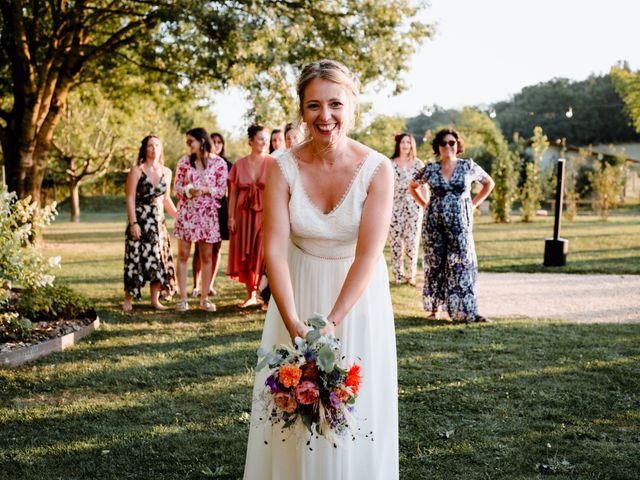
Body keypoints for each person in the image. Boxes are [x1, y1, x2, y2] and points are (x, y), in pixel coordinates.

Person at [243, 59, 398, 480]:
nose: (324, 116)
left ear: (352, 105)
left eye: (334, 104)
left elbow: (368, 254)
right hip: (296, 289)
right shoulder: (282, 167)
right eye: (313, 106)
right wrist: (292, 320)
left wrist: (332, 321)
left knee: (352, 407)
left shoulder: (378, 169)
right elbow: (273, 248)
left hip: (356, 298)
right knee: (292, 403)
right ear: (301, 109)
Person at [408, 128, 495, 322]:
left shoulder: (468, 166)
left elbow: (489, 183)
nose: (448, 146)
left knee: (463, 264)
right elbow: (412, 186)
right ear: (438, 147)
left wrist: (473, 204)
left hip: (460, 224)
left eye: (452, 143)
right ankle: (434, 310)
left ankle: (466, 311)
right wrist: (424, 204)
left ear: (457, 145)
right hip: (434, 224)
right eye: (444, 143)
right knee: (435, 264)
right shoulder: (430, 169)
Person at [173, 127, 228, 312]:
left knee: (206, 256)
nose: (188, 145)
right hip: (187, 213)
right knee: (183, 255)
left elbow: (221, 190)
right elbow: (176, 188)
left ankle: (204, 299)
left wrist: (205, 190)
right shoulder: (183, 162)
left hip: (208, 215)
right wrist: (189, 190)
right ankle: (182, 299)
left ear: (202, 141)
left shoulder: (219, 163)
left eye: (191, 141)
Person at [123, 136, 177, 311]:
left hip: (158, 224)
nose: (154, 148)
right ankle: (128, 299)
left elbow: (166, 199)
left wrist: (178, 217)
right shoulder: (137, 170)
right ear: (144, 149)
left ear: (161, 148)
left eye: (157, 145)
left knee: (158, 260)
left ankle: (155, 300)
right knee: (135, 259)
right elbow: (130, 198)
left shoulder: (167, 172)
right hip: (140, 220)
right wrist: (133, 223)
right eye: (150, 145)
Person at [226, 124, 274, 307]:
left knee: (263, 254)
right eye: (261, 138)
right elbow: (234, 193)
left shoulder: (273, 163)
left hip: (265, 213)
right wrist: (231, 217)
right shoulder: (239, 164)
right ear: (251, 141)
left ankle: (264, 294)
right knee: (246, 253)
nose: (265, 142)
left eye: (267, 139)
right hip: (243, 214)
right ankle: (250, 295)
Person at [191, 132, 233, 298]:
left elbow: (230, 191)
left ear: (223, 145)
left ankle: (209, 285)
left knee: (216, 248)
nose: (216, 145)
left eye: (219, 142)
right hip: (201, 209)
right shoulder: (199, 163)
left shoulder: (228, 165)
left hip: (220, 208)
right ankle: (196, 285)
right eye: (213, 142)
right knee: (198, 249)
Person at [389, 132, 426, 286]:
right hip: (395, 205)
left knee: (412, 240)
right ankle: (398, 274)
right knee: (395, 241)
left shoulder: (418, 164)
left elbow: (424, 187)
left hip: (413, 206)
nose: (405, 145)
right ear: (398, 145)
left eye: (408, 142)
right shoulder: (390, 163)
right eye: (403, 142)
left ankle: (410, 275)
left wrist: (426, 205)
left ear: (412, 146)